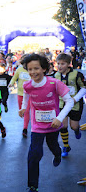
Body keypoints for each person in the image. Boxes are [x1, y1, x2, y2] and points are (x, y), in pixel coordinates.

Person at [18, 53, 74, 192]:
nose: (33, 72)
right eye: (30, 69)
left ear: (44, 69)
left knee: (53, 145)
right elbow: (26, 97)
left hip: (53, 124)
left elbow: (69, 101)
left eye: (36, 68)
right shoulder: (27, 85)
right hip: (37, 125)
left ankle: (57, 153)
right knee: (34, 154)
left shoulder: (54, 83)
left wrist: (59, 118)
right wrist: (23, 108)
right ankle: (32, 185)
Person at [54, 53, 86, 157]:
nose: (59, 66)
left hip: (75, 104)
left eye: (62, 64)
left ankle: (77, 130)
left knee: (73, 126)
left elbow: (84, 88)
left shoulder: (77, 75)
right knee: (62, 125)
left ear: (69, 64)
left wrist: (75, 99)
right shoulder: (56, 75)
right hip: (62, 104)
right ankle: (66, 146)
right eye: (58, 63)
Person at [9, 55, 31, 137]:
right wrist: (11, 84)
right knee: (21, 110)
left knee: (26, 111)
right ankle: (24, 118)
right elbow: (14, 78)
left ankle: (25, 129)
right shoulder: (19, 69)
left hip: (29, 95)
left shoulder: (31, 70)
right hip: (20, 93)